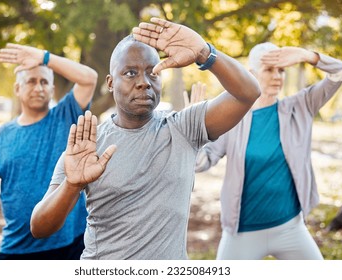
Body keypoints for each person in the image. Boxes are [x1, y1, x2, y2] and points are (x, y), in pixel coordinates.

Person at [30, 17, 261, 260]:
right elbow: (39, 227)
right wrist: (72, 185)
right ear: (110, 83)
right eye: (130, 73)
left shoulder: (184, 127)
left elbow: (248, 93)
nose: (144, 83)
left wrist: (205, 53)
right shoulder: (87, 146)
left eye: (153, 73)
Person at [195, 42, 342, 259]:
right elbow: (200, 162)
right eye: (269, 70)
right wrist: (193, 130)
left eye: (282, 70)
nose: (277, 76)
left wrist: (307, 55)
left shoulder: (301, 105)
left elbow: (341, 71)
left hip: (290, 228)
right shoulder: (233, 117)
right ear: (251, 74)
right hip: (242, 233)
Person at [0, 43, 98, 260]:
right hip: (17, 247)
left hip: (70, 244)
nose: (39, 87)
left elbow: (89, 78)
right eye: (31, 81)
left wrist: (44, 58)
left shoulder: (65, 115)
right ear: (17, 89)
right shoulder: (3, 135)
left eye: (44, 81)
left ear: (52, 90)